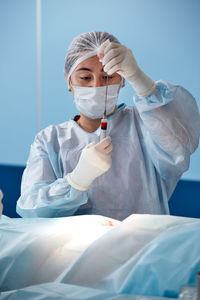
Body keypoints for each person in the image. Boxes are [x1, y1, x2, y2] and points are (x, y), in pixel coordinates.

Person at [17, 31, 200, 220]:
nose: (96, 86)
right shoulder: (49, 141)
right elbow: (32, 211)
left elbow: (182, 140)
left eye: (107, 77)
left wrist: (138, 77)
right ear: (69, 80)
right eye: (85, 78)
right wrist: (77, 180)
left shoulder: (147, 124)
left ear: (122, 80)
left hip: (144, 246)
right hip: (77, 249)